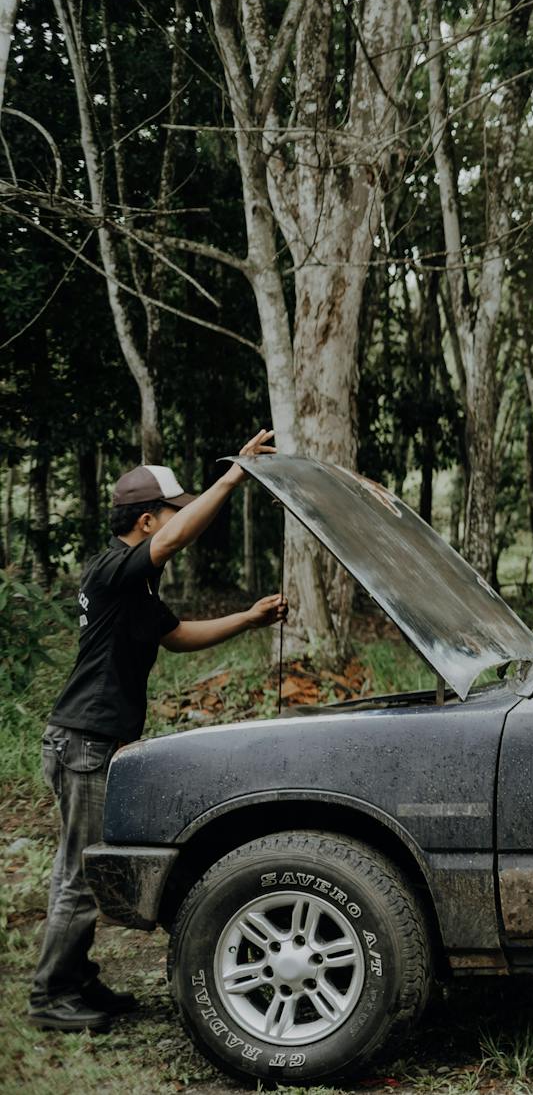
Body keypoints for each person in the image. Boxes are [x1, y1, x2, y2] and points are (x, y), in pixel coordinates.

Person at [29, 429, 287, 1033]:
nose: (177, 520)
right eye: (173, 510)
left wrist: (248, 619)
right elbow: (174, 540)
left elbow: (176, 637)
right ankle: (50, 997)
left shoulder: (135, 587)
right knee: (80, 876)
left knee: (83, 870)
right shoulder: (116, 569)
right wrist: (233, 477)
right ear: (148, 521)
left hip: (91, 742)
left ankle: (75, 979)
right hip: (83, 743)